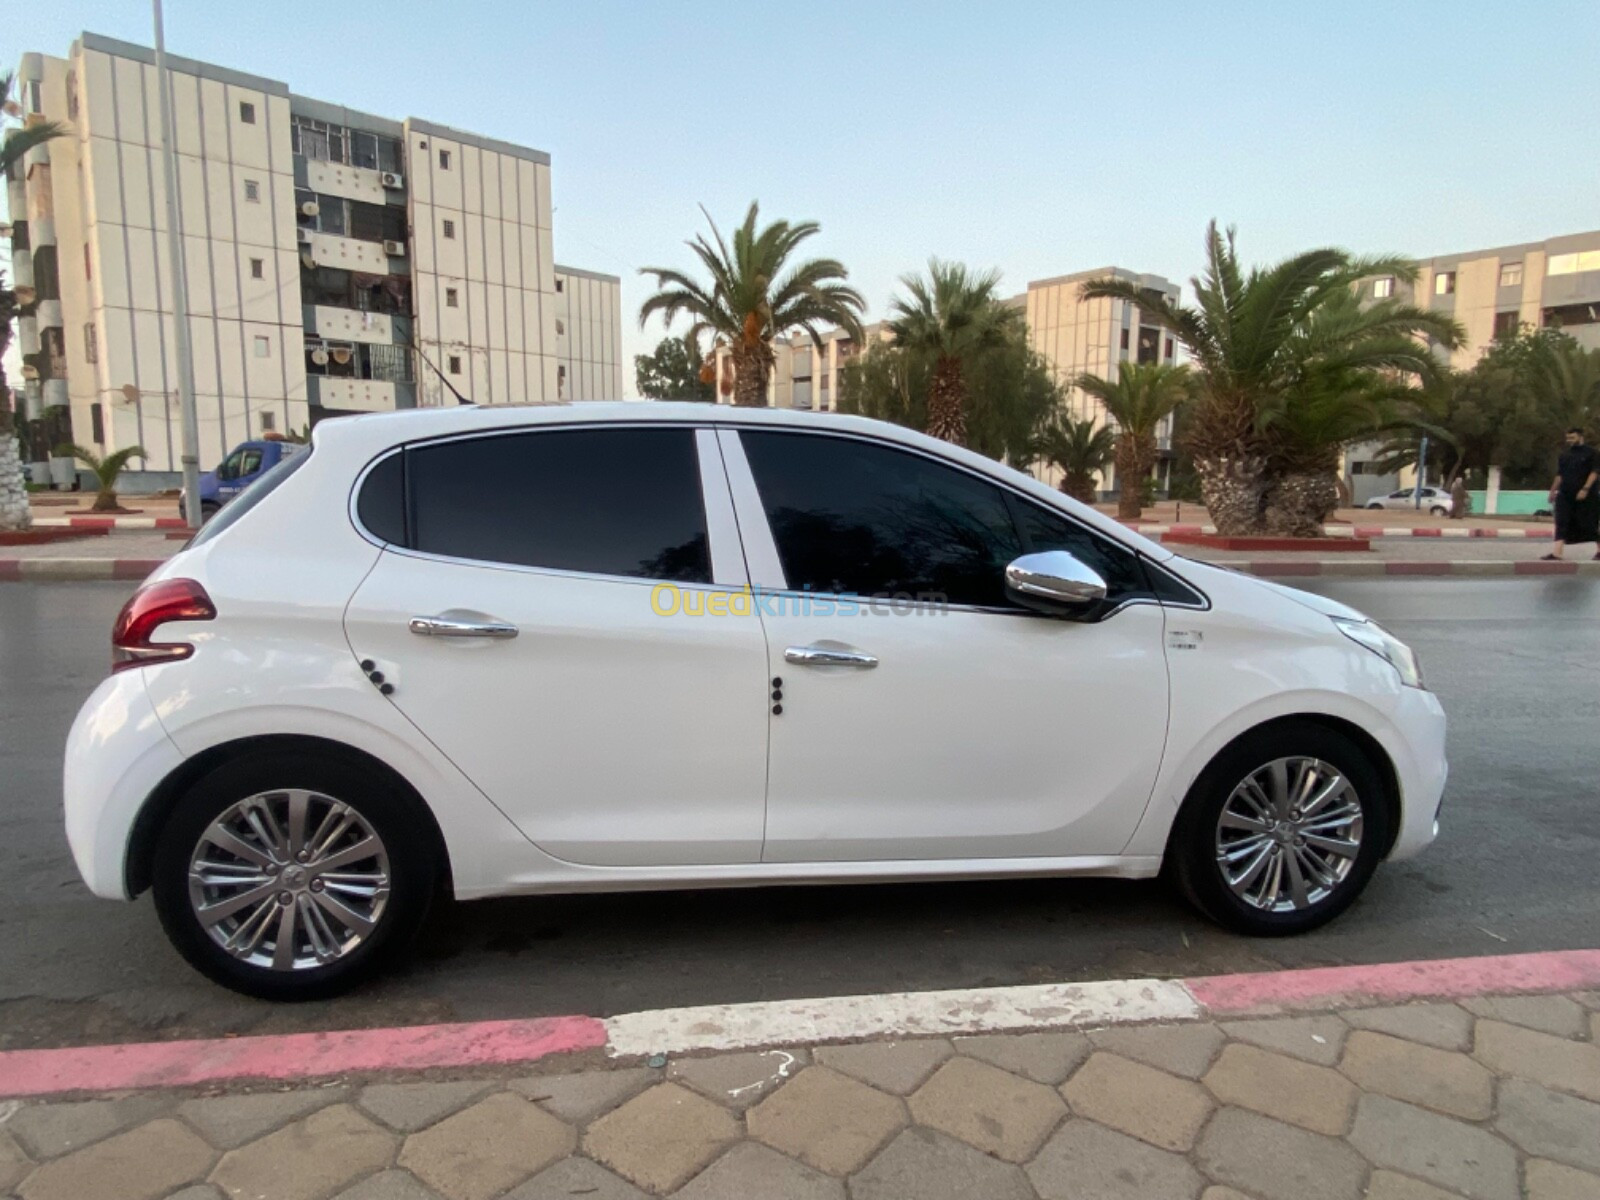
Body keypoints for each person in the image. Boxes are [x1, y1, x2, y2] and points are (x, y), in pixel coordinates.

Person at [1542, 427, 1600, 560]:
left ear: (1580, 437)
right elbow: (1560, 474)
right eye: (1568, 438)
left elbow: (1595, 472)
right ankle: (1557, 553)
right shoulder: (1565, 454)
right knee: (1561, 521)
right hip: (1565, 494)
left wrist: (1585, 489)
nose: (1569, 441)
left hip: (1587, 495)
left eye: (1572, 438)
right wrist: (1552, 491)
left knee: (1589, 523)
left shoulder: (1592, 453)